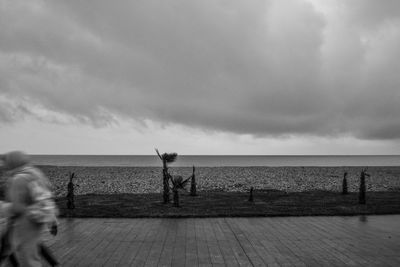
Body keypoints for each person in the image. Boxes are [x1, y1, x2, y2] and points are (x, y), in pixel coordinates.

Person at [0, 151, 59, 267]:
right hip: (38, 219)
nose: (3, 166)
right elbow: (45, 199)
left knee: (28, 257)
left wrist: (2, 207)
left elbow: (17, 207)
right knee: (21, 248)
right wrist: (52, 221)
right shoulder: (36, 174)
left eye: (5, 163)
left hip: (24, 222)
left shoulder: (18, 179)